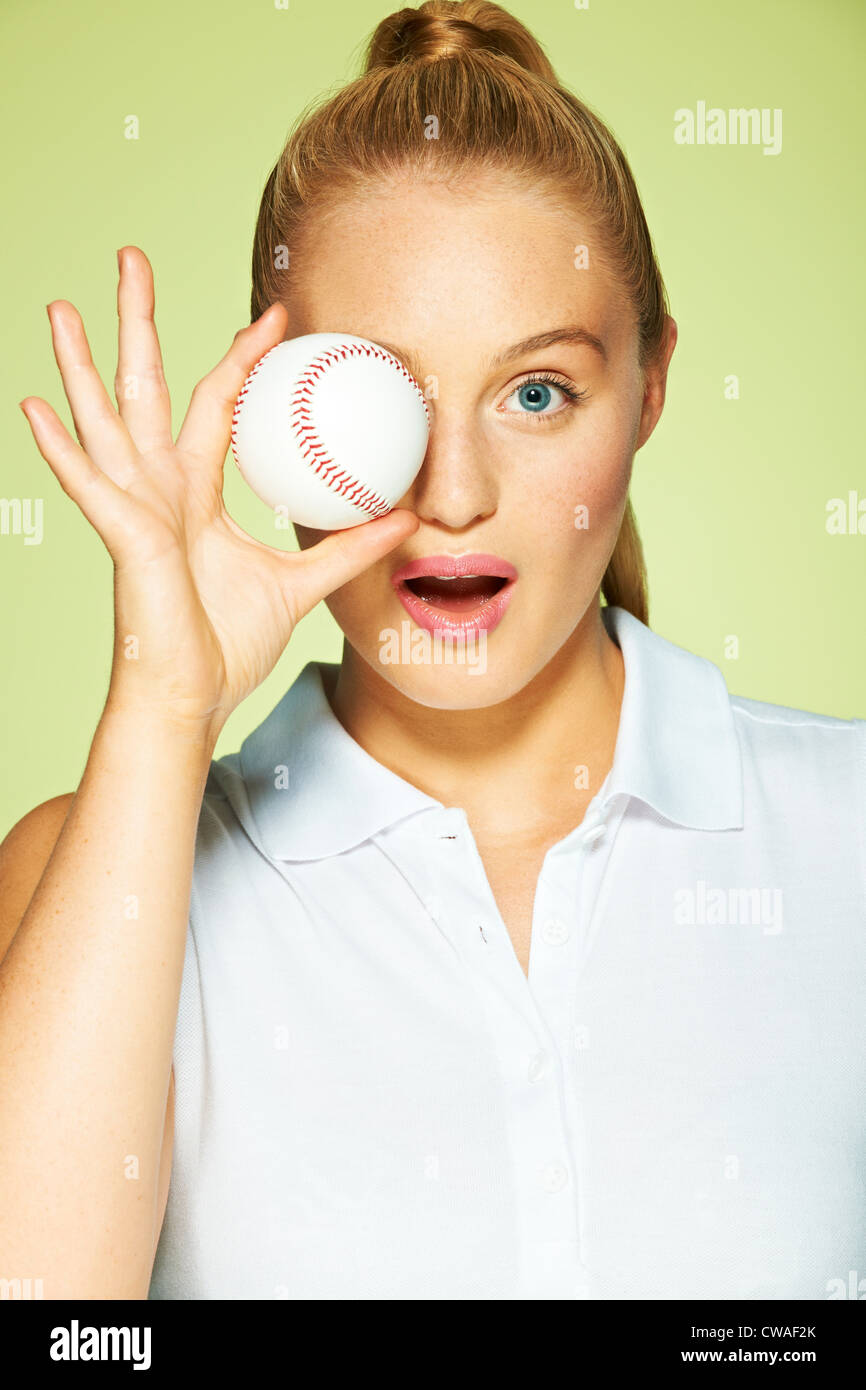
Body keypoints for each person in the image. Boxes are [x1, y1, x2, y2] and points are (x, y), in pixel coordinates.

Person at [1, 0, 864, 1302]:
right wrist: (162, 704)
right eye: (374, 400)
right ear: (264, 417)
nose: (452, 493)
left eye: (535, 393)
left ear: (649, 387)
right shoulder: (98, 875)